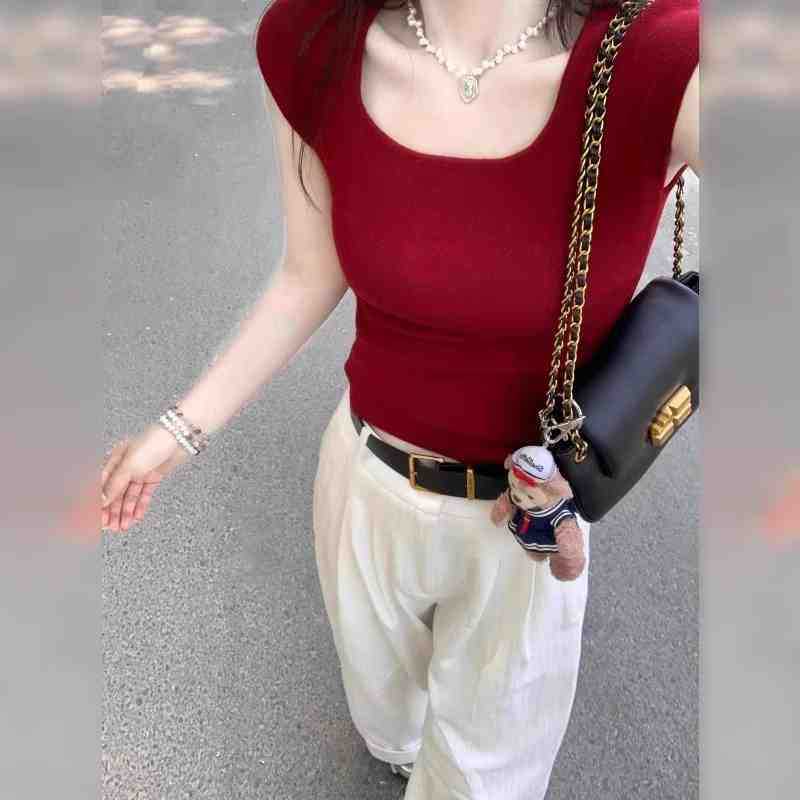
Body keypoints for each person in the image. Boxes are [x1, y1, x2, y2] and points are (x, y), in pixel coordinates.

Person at [101, 1, 700, 797]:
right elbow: (309, 274)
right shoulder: (313, 39)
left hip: (527, 529)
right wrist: (180, 430)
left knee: (480, 781)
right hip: (365, 484)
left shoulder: (663, 54)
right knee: (387, 720)